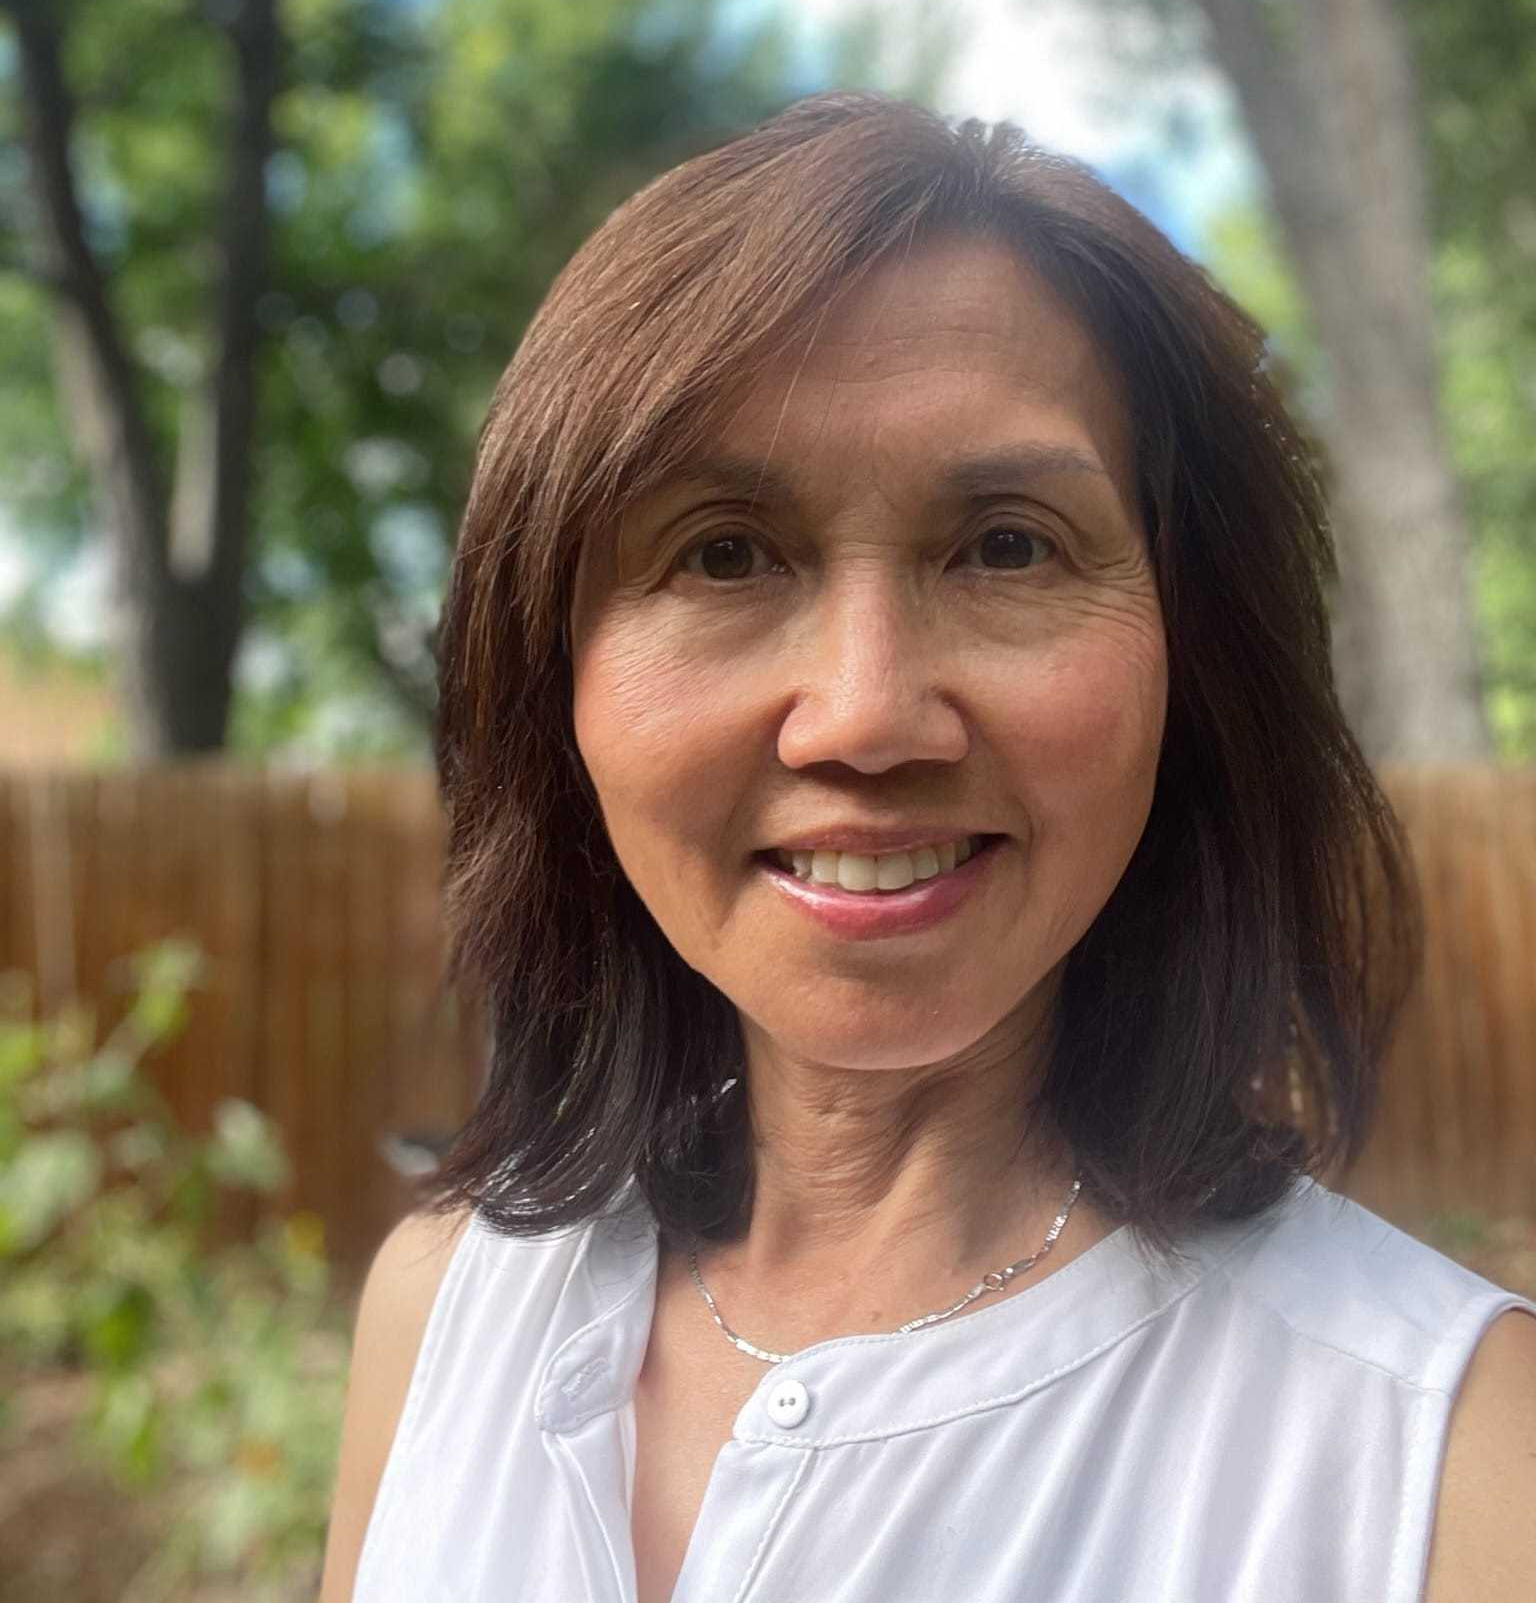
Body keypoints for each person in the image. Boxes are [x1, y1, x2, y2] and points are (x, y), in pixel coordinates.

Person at [320, 93, 1536, 1603]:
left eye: (1009, 545)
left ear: (1194, 659)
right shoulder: (439, 1319)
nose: (865, 715)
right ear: (550, 676)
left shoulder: (1455, 1475)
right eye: (723, 552)